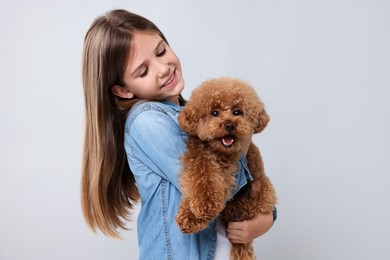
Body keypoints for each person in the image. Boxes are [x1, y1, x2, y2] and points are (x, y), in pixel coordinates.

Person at [81, 9, 276, 260]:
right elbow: (211, 189)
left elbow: (247, 190)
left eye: (161, 51)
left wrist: (266, 219)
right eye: (143, 71)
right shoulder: (146, 121)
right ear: (123, 90)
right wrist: (243, 136)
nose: (163, 69)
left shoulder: (193, 116)